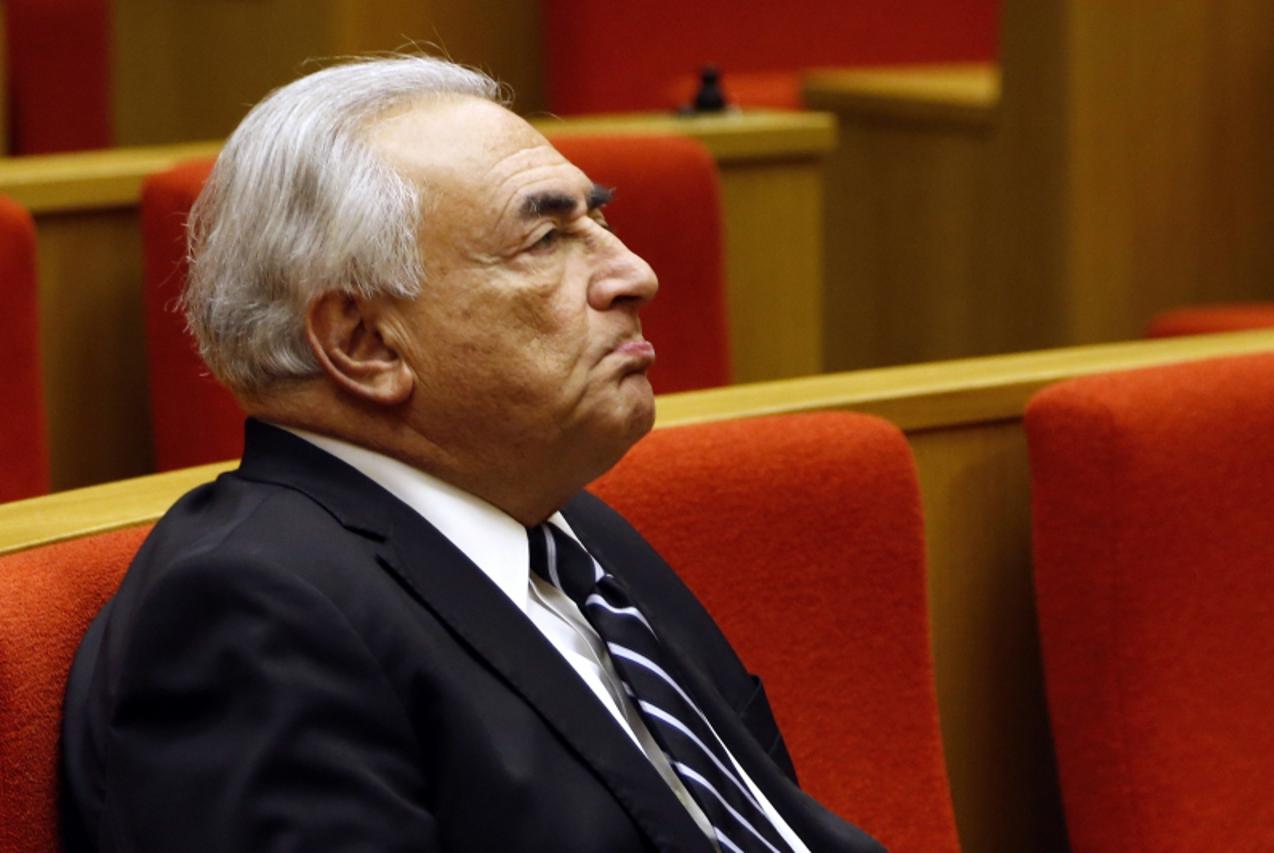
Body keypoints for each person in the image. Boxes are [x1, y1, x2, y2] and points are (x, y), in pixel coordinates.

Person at [61, 56, 884, 852]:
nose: (635, 274)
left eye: (597, 219)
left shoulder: (566, 531)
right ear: (365, 342)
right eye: (546, 239)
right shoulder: (247, 613)